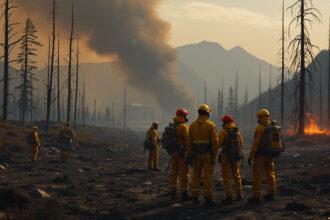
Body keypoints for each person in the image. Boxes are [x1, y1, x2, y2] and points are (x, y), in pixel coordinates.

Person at [187, 104, 219, 206]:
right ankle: (208, 198)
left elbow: (189, 143)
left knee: (195, 176)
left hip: (196, 155)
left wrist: (191, 155)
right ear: (207, 113)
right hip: (207, 155)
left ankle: (194, 197)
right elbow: (215, 143)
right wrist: (214, 156)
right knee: (207, 177)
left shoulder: (192, 126)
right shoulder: (210, 125)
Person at [247, 109, 276, 204]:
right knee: (270, 174)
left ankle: (256, 196)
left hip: (260, 156)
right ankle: (271, 193)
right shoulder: (271, 127)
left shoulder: (259, 128)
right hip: (270, 155)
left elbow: (255, 144)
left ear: (260, 117)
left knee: (257, 176)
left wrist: (250, 157)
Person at [218, 115, 244, 204]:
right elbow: (241, 143)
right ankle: (239, 195)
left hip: (226, 157)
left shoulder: (224, 131)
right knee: (236, 175)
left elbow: (219, 144)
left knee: (226, 176)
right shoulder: (237, 131)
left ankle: (229, 196)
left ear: (225, 122)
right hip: (235, 156)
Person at [169, 108, 190, 202]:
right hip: (181, 153)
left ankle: (173, 193)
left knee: (174, 173)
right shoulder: (183, 127)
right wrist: (190, 151)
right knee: (184, 173)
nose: (186, 117)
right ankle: (184, 194)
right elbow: (187, 141)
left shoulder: (173, 125)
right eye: (185, 115)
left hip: (173, 153)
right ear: (182, 116)